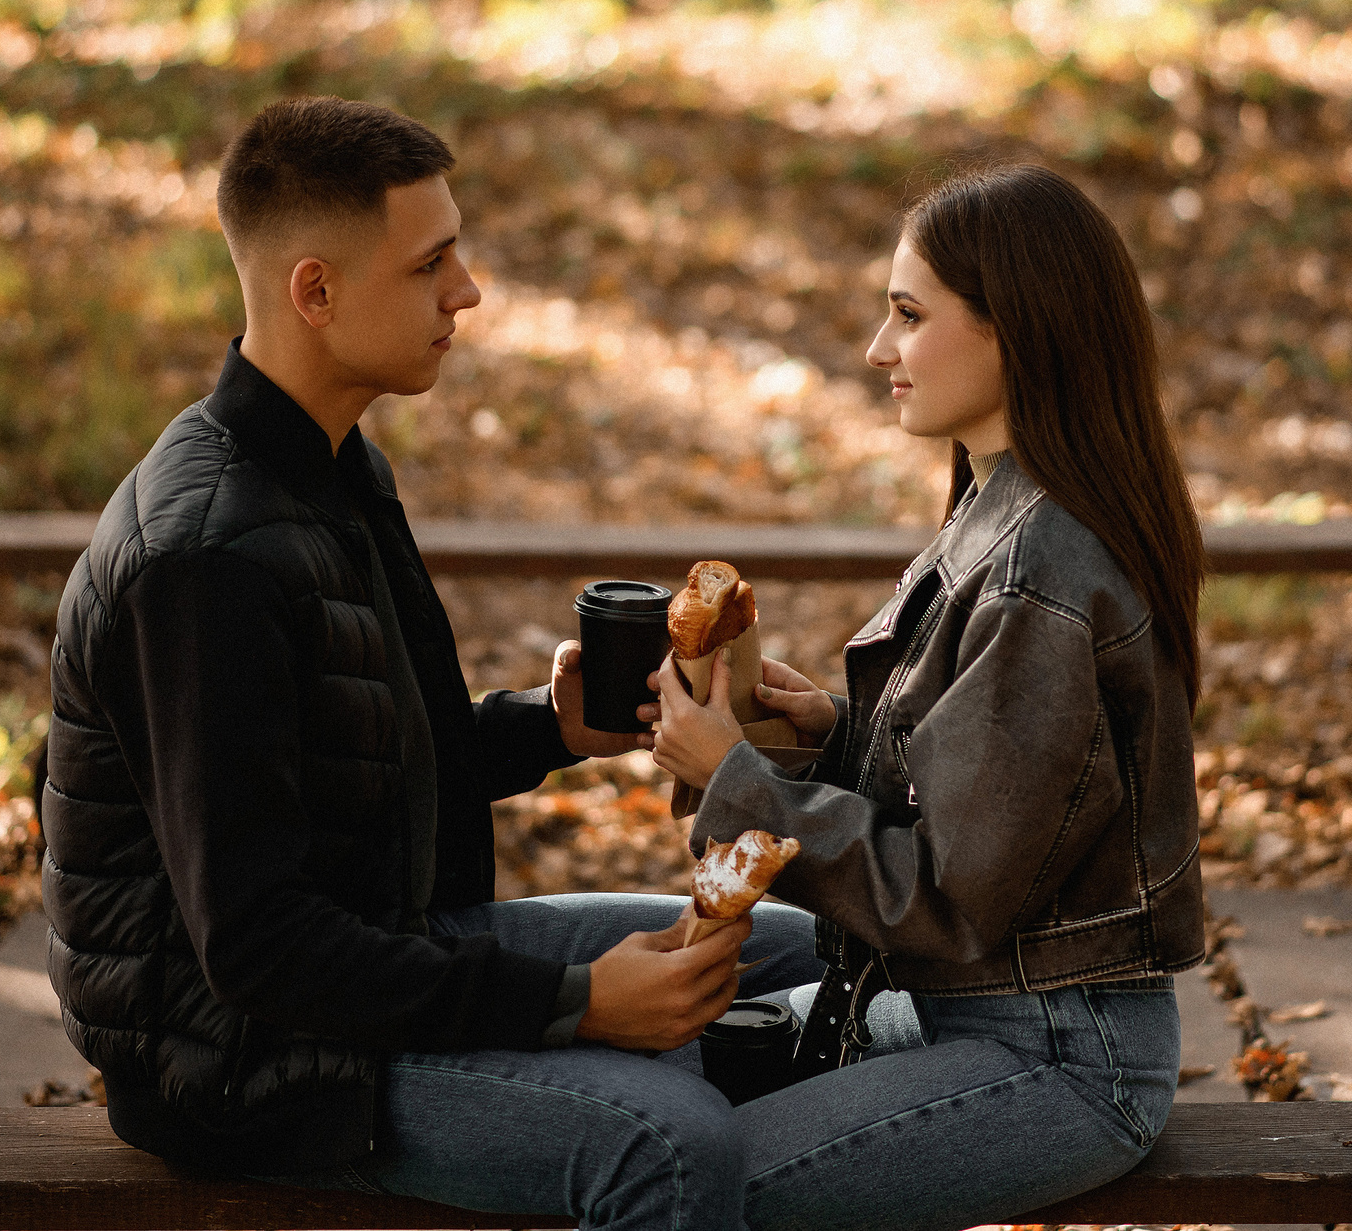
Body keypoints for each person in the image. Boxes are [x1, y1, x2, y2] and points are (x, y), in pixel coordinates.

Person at [41, 96, 820, 1231]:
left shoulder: (332, 465)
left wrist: (546, 728)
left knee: (799, 952)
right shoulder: (204, 560)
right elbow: (256, 949)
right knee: (673, 1144)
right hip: (252, 1064)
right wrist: (576, 1004)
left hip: (376, 956)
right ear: (315, 292)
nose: (468, 291)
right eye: (429, 265)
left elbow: (351, 762)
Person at [647, 162, 1209, 1231]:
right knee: (632, 1060)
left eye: (909, 315)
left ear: (1016, 331)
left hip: (1058, 1054)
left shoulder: (1043, 570)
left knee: (668, 1178)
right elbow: (989, 802)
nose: (877, 348)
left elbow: (945, 896)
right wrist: (829, 737)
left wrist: (736, 779)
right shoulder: (1006, 504)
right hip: (963, 1007)